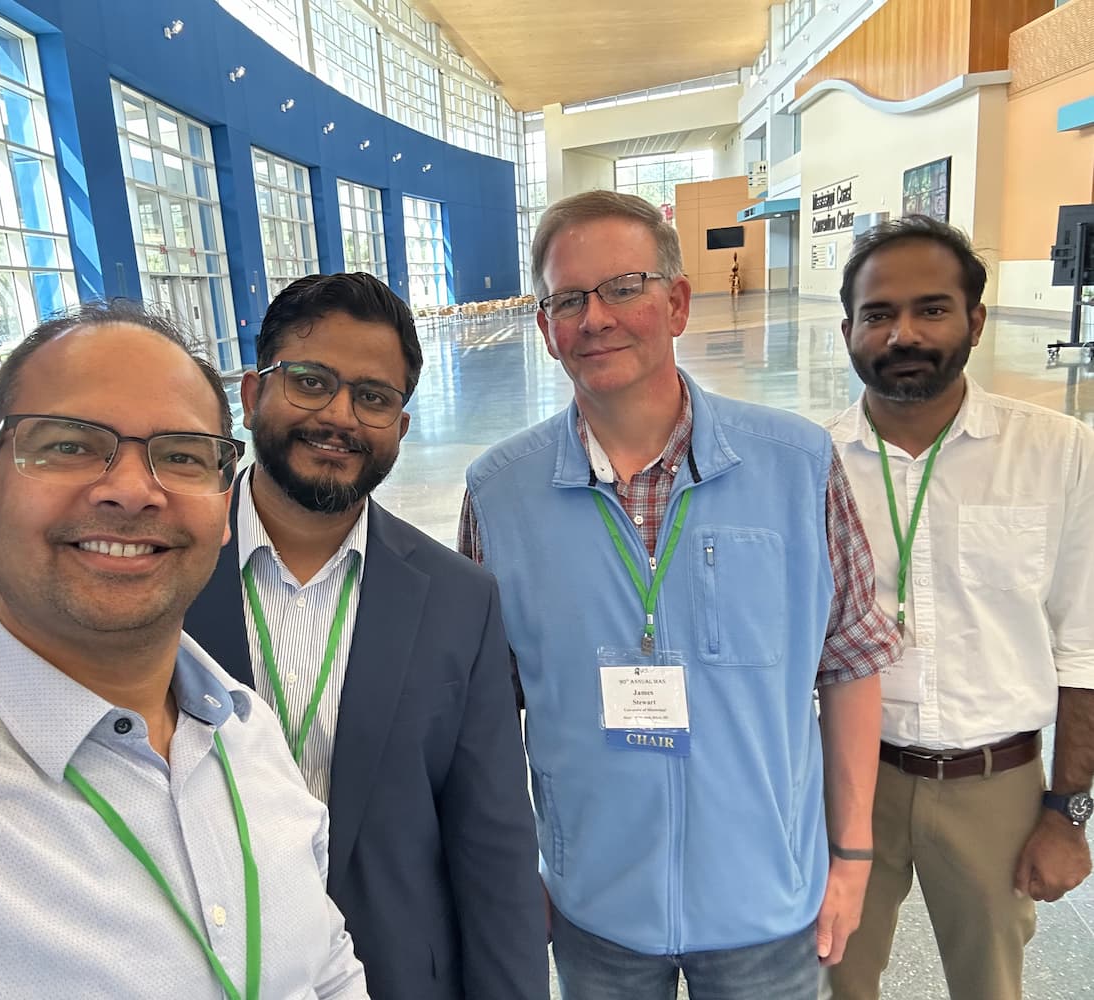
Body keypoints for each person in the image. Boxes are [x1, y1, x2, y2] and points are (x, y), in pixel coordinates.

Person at [0, 301, 369, 1000]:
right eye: (70, 444)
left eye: (179, 455)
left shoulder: (250, 737)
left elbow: (326, 971)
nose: (132, 491)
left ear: (222, 503)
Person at [459, 190, 899, 1000]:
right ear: (546, 328)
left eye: (622, 287)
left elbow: (849, 661)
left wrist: (852, 856)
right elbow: (484, 714)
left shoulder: (794, 465)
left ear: (677, 302)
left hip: (767, 902)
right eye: (567, 299)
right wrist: (519, 874)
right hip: (593, 909)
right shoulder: (499, 493)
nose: (594, 318)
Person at [183, 272, 548, 1000]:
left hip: (397, 975)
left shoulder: (457, 600)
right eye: (311, 381)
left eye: (373, 397)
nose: (338, 416)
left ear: (400, 427)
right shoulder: (166, 567)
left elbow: (493, 848)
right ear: (252, 395)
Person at [826, 216, 1094, 1000]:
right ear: (848, 330)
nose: (902, 332)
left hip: (996, 785)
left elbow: (1085, 643)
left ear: (975, 320)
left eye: (931, 309)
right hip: (850, 782)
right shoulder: (812, 463)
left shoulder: (1056, 453)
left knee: (989, 986)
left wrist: (1067, 813)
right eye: (878, 314)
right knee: (834, 978)